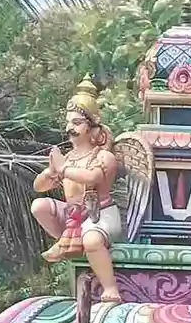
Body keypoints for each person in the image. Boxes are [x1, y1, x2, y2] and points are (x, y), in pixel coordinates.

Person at [29, 79, 124, 303]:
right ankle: (65, 241)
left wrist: (62, 169)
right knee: (39, 206)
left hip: (99, 215)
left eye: (77, 122)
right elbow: (39, 187)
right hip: (74, 217)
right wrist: (51, 172)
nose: (70, 128)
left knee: (91, 240)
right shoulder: (69, 159)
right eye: (68, 122)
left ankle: (110, 288)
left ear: (92, 128)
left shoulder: (103, 156)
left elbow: (92, 177)